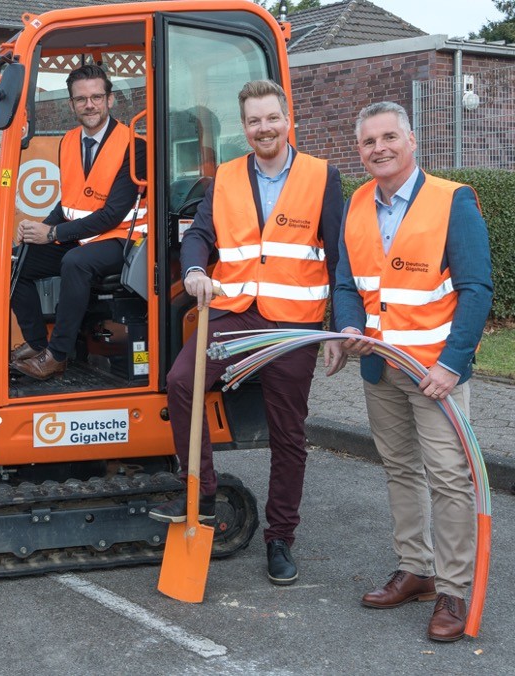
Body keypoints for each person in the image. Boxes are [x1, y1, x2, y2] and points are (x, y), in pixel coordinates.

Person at [147, 80, 345, 587]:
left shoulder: (323, 177)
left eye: (271, 118)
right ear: (245, 127)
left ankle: (280, 537)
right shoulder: (228, 176)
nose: (264, 128)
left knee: (288, 434)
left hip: (293, 324)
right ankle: (204, 492)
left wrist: (342, 329)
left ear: (287, 119)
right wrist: (194, 270)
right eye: (254, 121)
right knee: (182, 381)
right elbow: (199, 235)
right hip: (234, 314)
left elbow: (341, 260)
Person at [335, 102, 492, 642]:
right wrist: (349, 328)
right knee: (400, 469)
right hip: (381, 369)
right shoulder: (356, 203)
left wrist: (453, 364)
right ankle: (416, 569)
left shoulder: (453, 200)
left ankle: (451, 589)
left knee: (450, 478)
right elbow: (346, 285)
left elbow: (476, 289)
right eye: (367, 141)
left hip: (434, 373)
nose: (378, 148)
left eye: (388, 137)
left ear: (412, 140)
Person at [11, 63, 147, 380]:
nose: (90, 105)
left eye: (97, 97)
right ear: (71, 104)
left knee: (76, 262)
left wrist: (54, 233)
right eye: (82, 99)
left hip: (124, 241)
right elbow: (71, 201)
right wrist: (39, 229)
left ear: (110, 100)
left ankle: (58, 355)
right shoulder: (68, 141)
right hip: (84, 237)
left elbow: (113, 213)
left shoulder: (134, 145)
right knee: (18, 260)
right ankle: (37, 343)